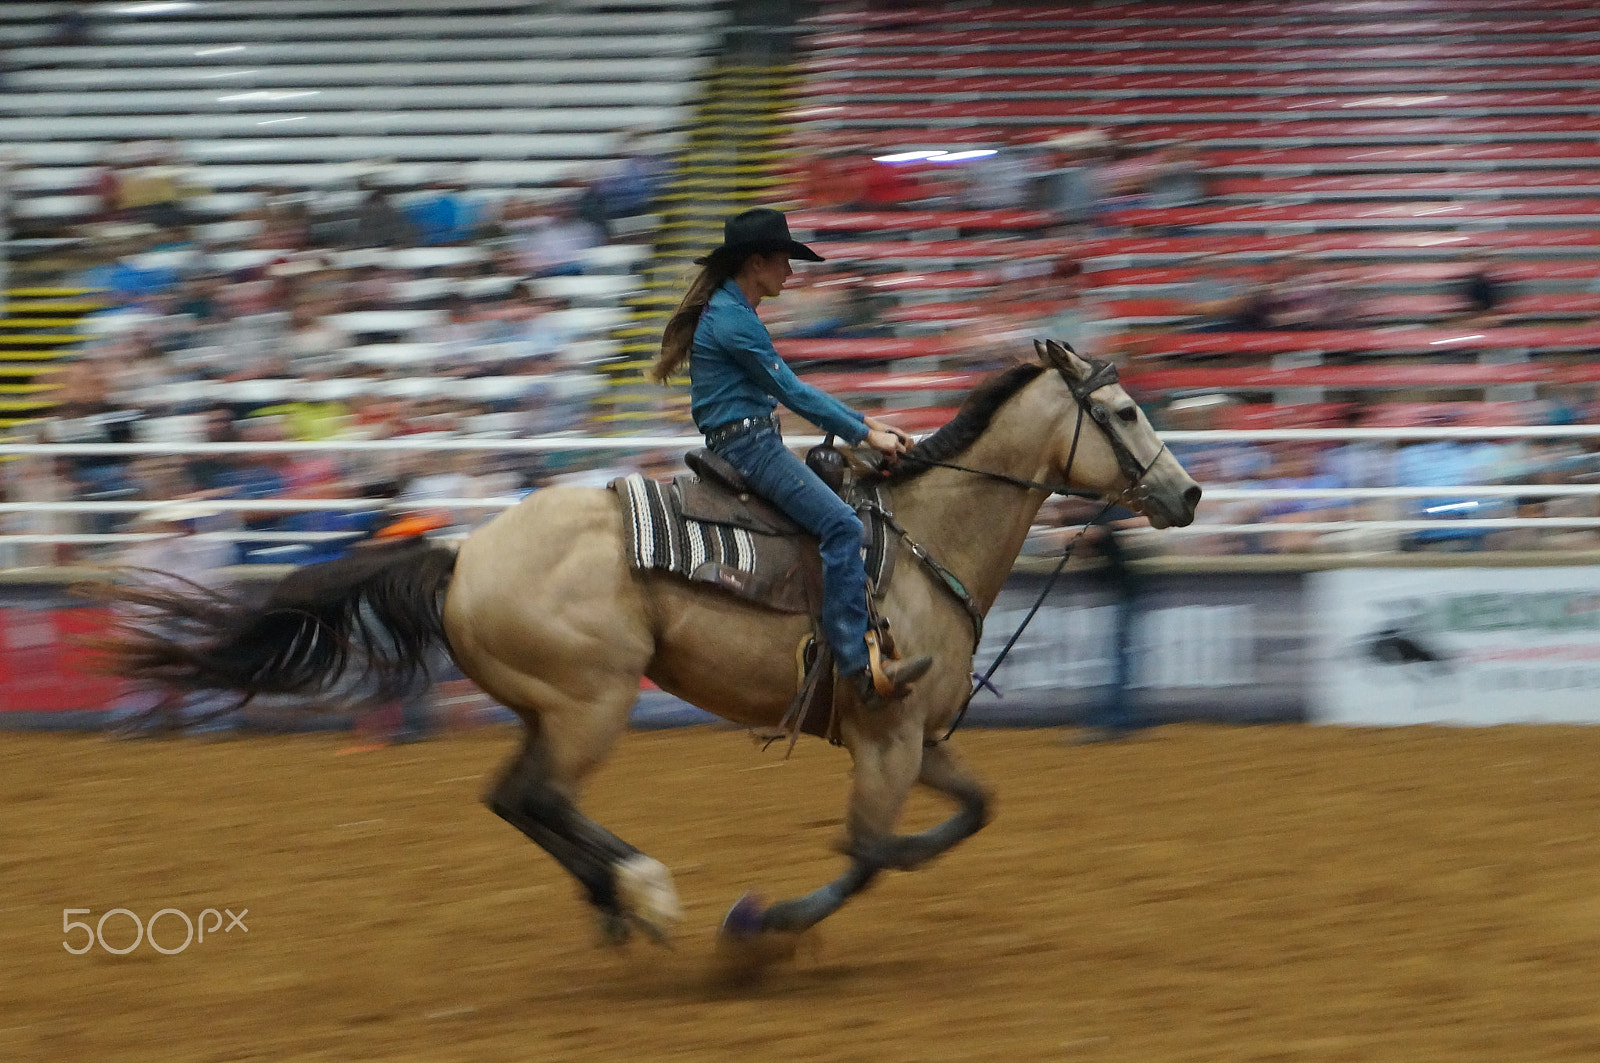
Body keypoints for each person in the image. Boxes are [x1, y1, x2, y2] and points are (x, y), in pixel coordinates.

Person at [650, 207, 932, 707]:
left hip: (749, 441)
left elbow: (793, 391)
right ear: (756, 262)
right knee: (843, 527)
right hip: (751, 447)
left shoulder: (729, 311)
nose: (791, 271)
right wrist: (867, 436)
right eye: (784, 260)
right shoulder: (735, 321)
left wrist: (868, 426)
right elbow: (792, 391)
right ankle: (855, 666)